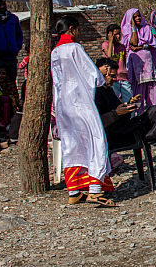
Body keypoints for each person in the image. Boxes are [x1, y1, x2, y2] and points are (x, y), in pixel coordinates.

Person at [51, 15, 116, 207]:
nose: (79, 33)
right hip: (81, 102)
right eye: (78, 30)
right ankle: (95, 190)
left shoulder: (55, 52)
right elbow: (93, 75)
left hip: (63, 106)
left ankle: (74, 191)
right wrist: (102, 78)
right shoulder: (75, 48)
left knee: (72, 146)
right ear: (72, 29)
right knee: (94, 141)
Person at [93, 57, 156, 178]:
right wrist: (116, 113)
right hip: (117, 134)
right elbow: (98, 122)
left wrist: (128, 106)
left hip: (125, 127)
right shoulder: (96, 93)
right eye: (112, 76)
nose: (114, 79)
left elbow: (117, 110)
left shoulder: (108, 90)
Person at [121, 9, 156, 110]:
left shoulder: (146, 28)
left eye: (139, 16)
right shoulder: (126, 30)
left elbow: (152, 44)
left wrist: (140, 47)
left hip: (147, 63)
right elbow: (134, 42)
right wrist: (133, 28)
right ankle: (139, 113)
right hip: (135, 64)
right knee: (138, 91)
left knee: (150, 89)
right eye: (135, 17)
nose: (138, 18)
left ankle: (152, 112)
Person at [101, 24, 130, 98]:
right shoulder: (105, 45)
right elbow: (109, 55)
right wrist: (111, 41)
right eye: (116, 34)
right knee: (115, 98)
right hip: (113, 78)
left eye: (119, 34)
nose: (118, 36)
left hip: (123, 77)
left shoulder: (122, 47)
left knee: (128, 98)